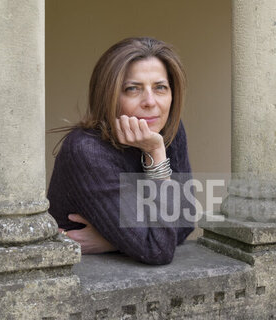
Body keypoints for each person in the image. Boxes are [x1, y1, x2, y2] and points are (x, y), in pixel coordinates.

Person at [47, 37, 194, 265]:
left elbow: (184, 223)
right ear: (110, 95)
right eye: (133, 89)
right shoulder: (87, 151)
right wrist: (141, 241)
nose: (150, 102)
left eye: (160, 88)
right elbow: (159, 249)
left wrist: (111, 242)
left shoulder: (166, 132)